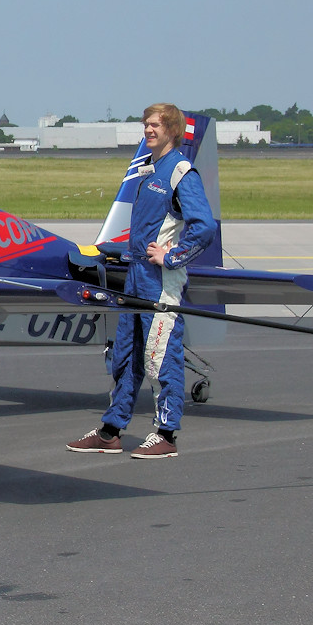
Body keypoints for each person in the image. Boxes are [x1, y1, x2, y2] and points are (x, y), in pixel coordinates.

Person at [67, 103, 215, 459]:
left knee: (161, 357)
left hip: (160, 281)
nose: (148, 130)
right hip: (135, 277)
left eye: (155, 125)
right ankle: (111, 431)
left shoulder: (180, 171)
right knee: (126, 356)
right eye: (146, 125)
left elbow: (204, 227)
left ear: (172, 129)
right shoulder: (149, 171)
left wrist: (173, 256)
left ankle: (166, 435)